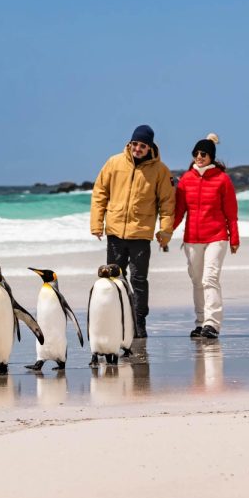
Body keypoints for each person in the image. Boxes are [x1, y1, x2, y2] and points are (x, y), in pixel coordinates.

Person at [89, 124, 175, 339]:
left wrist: (165, 232)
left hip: (141, 234)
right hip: (115, 232)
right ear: (130, 143)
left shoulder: (160, 170)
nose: (138, 148)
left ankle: (138, 321)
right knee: (115, 280)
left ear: (150, 147)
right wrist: (96, 224)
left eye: (143, 145)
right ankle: (117, 320)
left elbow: (166, 203)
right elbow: (100, 193)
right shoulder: (114, 162)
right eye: (135, 144)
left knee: (138, 279)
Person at [172, 133, 239, 339]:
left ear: (211, 157)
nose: (199, 157)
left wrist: (234, 238)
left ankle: (212, 324)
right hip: (192, 238)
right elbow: (179, 211)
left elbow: (231, 212)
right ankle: (201, 322)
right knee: (197, 280)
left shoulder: (222, 180)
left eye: (203, 153)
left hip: (216, 236)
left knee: (210, 278)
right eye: (196, 153)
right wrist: (166, 232)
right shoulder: (186, 179)